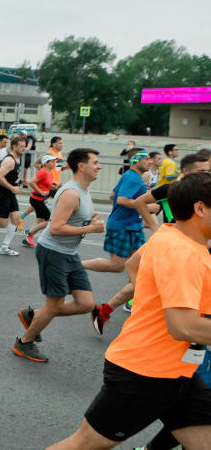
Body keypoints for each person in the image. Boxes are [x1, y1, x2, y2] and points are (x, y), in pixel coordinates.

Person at [49, 172, 211, 450]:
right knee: (84, 444)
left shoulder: (170, 235)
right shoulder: (184, 254)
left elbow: (133, 264)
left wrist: (151, 295)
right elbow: (182, 326)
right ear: (199, 209)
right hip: (145, 373)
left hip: (179, 370)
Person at [12, 148, 102, 363]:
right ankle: (24, 343)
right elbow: (55, 228)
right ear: (82, 166)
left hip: (69, 253)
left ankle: (33, 316)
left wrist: (88, 223)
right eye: (95, 162)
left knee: (86, 304)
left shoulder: (84, 190)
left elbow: (70, 222)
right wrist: (89, 229)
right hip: (53, 252)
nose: (99, 166)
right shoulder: (71, 193)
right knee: (54, 306)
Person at [86, 150, 156, 333]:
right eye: (146, 159)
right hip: (122, 227)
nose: (150, 162)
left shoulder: (131, 177)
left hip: (133, 227)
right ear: (136, 161)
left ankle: (108, 310)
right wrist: (147, 205)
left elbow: (112, 195)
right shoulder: (133, 177)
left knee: (143, 272)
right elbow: (122, 199)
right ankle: (75, 265)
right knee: (118, 266)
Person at [18, 155, 56, 248]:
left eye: (54, 161)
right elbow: (31, 182)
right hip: (36, 199)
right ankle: (29, 233)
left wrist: (57, 187)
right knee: (49, 221)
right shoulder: (43, 172)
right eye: (51, 161)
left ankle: (28, 238)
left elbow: (49, 185)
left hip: (39, 199)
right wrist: (41, 191)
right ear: (46, 163)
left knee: (40, 220)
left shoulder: (50, 173)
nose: (54, 163)